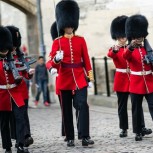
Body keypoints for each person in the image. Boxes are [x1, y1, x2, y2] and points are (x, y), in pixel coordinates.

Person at [47, 0, 94, 147]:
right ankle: (70, 137)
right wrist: (56, 59)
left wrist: (90, 78)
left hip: (80, 77)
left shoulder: (81, 40)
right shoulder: (57, 42)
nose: (69, 27)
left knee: (83, 105)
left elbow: (86, 60)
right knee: (66, 110)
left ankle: (85, 136)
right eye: (67, 24)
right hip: (64, 79)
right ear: (62, 25)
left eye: (71, 24)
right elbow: (51, 62)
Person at [107, 15, 152, 138]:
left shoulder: (134, 47)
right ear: (116, 37)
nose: (123, 39)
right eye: (120, 37)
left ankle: (141, 127)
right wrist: (115, 50)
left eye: (124, 36)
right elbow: (111, 54)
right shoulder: (117, 48)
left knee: (137, 106)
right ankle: (124, 128)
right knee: (122, 106)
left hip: (134, 79)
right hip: (122, 79)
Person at [123, 14, 153, 141]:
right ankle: (138, 131)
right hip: (136, 83)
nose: (140, 38)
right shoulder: (130, 48)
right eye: (137, 36)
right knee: (136, 108)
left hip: (150, 82)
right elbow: (125, 56)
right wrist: (131, 46)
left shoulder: (148, 48)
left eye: (141, 35)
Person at [6, 25, 34, 149]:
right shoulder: (5, 58)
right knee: (14, 117)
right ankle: (18, 138)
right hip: (10, 92)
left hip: (22, 91)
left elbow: (25, 74)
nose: (14, 48)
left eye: (15, 46)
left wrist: (29, 73)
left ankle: (25, 137)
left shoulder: (20, 56)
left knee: (22, 115)